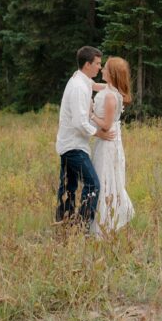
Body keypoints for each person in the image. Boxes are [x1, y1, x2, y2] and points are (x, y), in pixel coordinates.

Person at [55, 45, 115, 227]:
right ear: (87, 64)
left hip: (70, 144)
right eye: (97, 63)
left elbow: (98, 86)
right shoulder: (78, 87)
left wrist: (118, 88)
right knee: (93, 184)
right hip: (73, 147)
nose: (100, 67)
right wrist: (100, 134)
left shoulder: (83, 80)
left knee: (69, 188)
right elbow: (79, 123)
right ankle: (83, 227)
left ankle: (63, 224)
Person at [90, 56, 135, 236]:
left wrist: (90, 113)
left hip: (107, 143)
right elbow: (94, 86)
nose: (102, 70)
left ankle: (105, 224)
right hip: (107, 142)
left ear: (113, 74)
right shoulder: (110, 89)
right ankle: (106, 220)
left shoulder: (110, 97)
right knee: (104, 178)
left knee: (104, 179)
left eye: (105, 68)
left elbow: (106, 125)